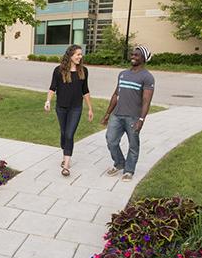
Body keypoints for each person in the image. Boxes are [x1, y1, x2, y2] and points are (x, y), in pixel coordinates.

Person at [101, 45, 155, 182]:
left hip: (133, 117)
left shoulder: (147, 77)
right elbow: (115, 95)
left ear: (143, 58)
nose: (133, 57)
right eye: (132, 54)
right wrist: (107, 114)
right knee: (111, 140)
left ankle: (129, 170)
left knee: (133, 145)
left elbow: (146, 101)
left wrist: (141, 120)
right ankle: (119, 163)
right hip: (117, 115)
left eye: (136, 55)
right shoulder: (123, 74)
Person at [44, 45, 93, 176]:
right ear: (70, 55)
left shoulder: (83, 71)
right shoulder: (59, 70)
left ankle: (66, 165)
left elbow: (85, 90)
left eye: (81, 54)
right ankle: (65, 152)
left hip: (76, 108)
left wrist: (90, 108)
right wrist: (48, 101)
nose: (80, 57)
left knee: (70, 135)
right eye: (78, 54)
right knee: (64, 134)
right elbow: (52, 87)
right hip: (61, 107)